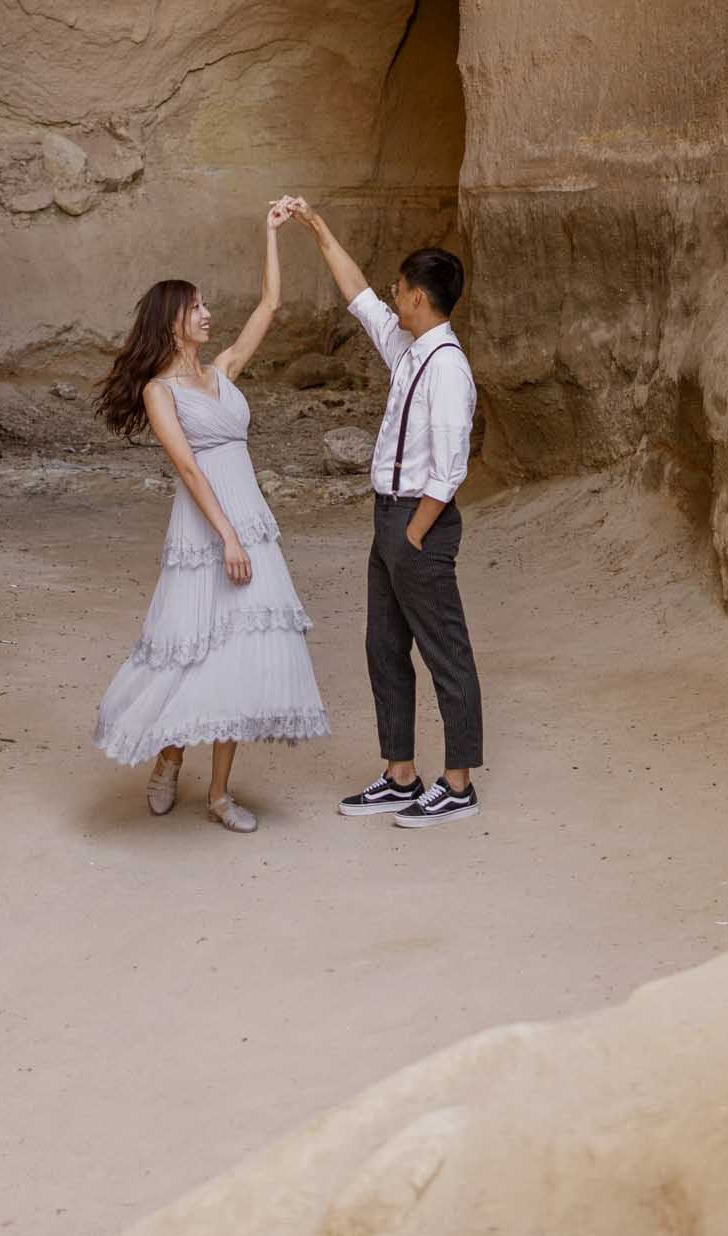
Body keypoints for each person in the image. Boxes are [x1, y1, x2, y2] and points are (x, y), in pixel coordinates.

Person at [91, 199, 328, 832]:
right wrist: (225, 536)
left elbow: (268, 308)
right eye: (197, 307)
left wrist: (271, 232)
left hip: (251, 521)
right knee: (194, 647)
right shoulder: (158, 390)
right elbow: (190, 469)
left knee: (242, 654)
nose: (207, 314)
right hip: (206, 530)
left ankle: (220, 794)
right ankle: (170, 755)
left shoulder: (222, 371)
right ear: (173, 320)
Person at [278, 199, 482, 829]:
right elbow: (358, 295)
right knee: (384, 647)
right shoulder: (409, 348)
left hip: (417, 523)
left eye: (400, 288)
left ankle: (458, 783)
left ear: (419, 297)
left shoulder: (446, 368)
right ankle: (400, 773)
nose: (392, 296)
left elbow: (449, 469)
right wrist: (315, 228)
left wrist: (415, 534)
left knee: (444, 650)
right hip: (388, 520)